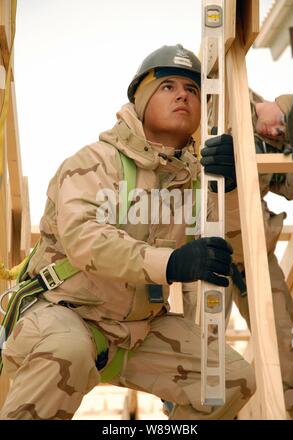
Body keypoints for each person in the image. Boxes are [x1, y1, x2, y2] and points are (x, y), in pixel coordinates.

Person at [0, 44, 255, 420]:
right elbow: (84, 239)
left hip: (141, 329)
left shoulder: (198, 182)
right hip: (65, 314)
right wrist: (170, 263)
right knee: (65, 349)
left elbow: (233, 252)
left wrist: (231, 189)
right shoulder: (93, 163)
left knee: (232, 379)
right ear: (140, 98)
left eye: (193, 90)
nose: (183, 94)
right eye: (168, 85)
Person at [200, 88, 293, 415]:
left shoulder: (275, 143)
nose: (275, 131)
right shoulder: (225, 96)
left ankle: (291, 410)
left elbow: (286, 188)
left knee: (280, 336)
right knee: (202, 348)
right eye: (281, 122)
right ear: (277, 101)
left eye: (283, 133)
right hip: (207, 251)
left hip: (251, 250)